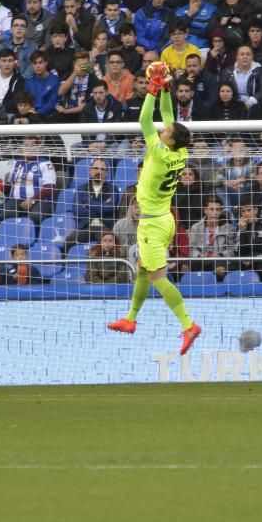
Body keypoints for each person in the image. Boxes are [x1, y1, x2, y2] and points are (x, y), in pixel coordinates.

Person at [107, 66, 200, 354]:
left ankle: (188, 325)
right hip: (166, 218)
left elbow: (145, 119)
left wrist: (151, 89)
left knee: (158, 277)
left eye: (167, 131)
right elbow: (169, 116)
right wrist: (166, 89)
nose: (164, 128)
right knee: (144, 272)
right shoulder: (180, 151)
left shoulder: (159, 151)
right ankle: (131, 319)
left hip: (151, 224)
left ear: (169, 139)